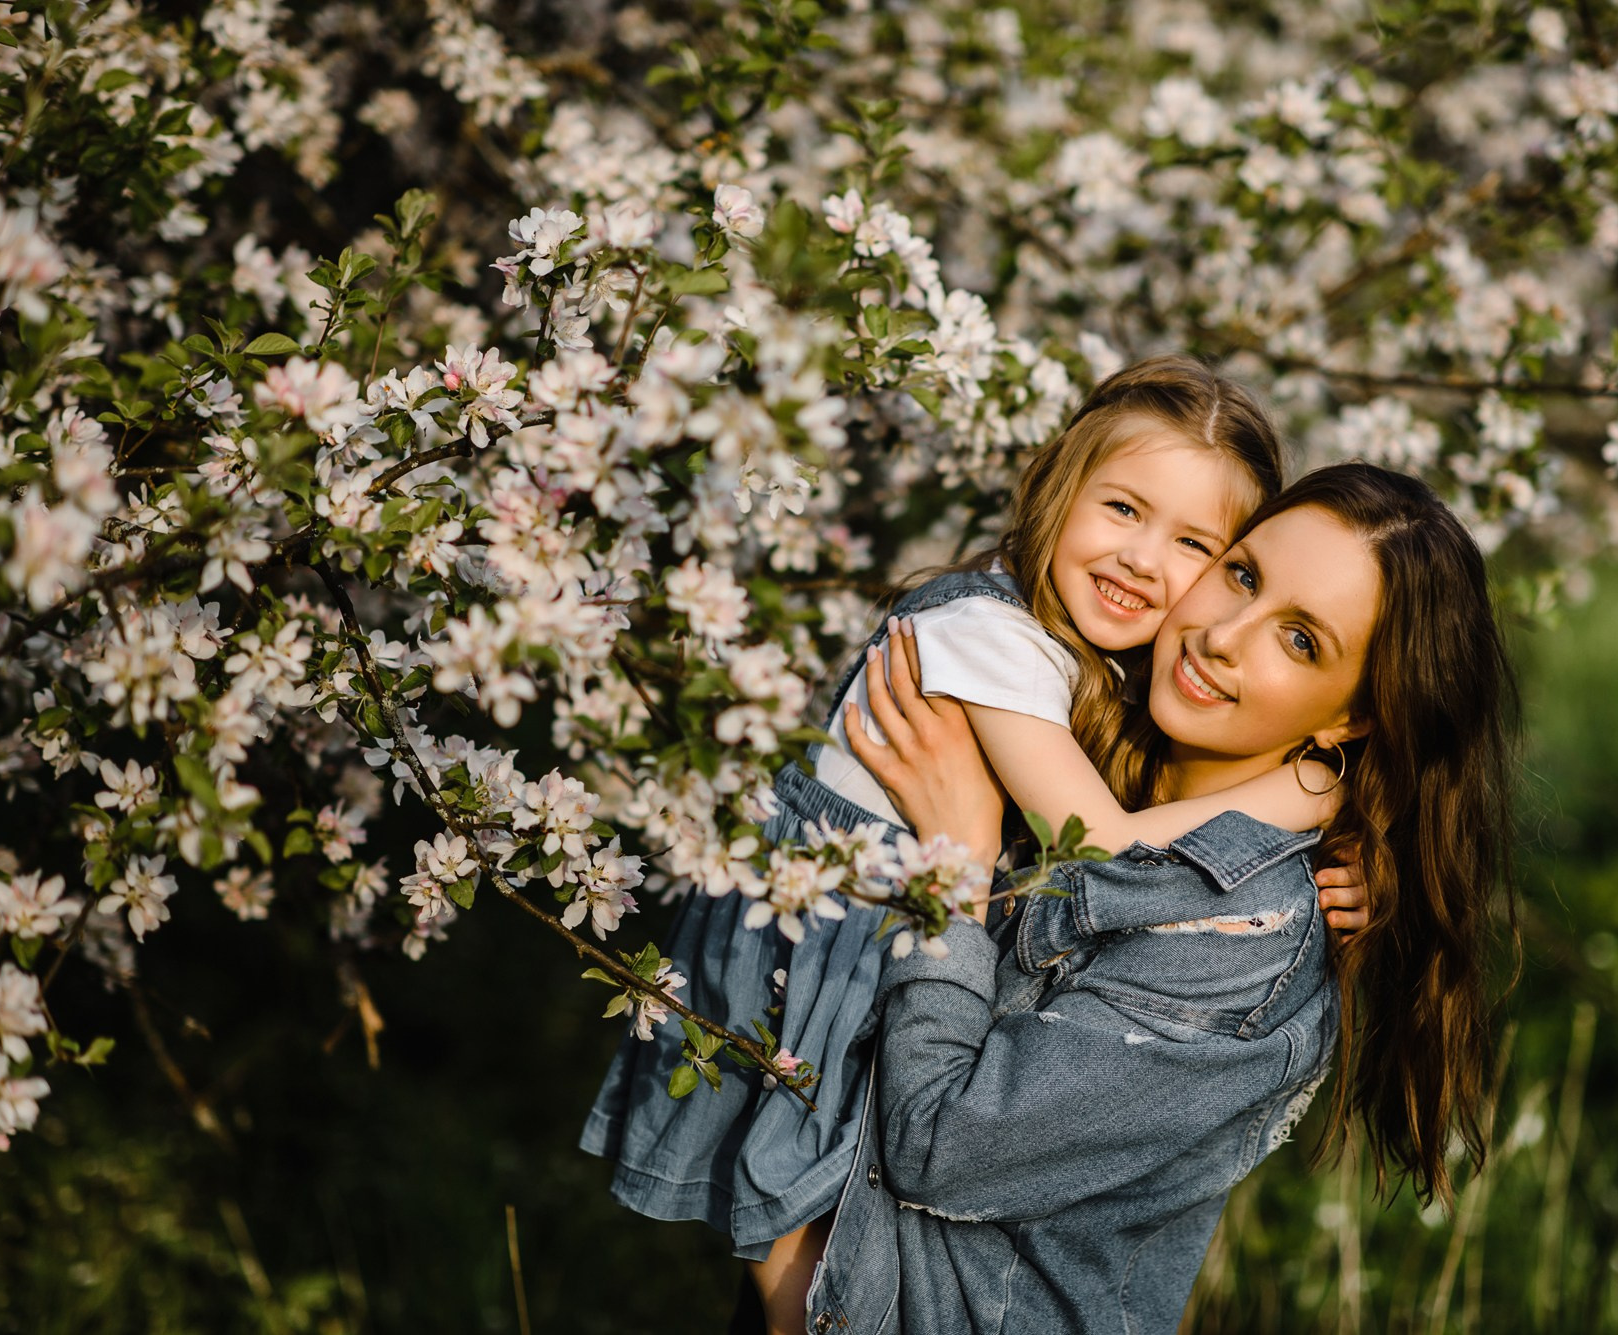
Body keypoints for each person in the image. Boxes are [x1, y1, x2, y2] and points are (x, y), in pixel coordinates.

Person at [580, 358, 1363, 1331]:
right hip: (826, 938)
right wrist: (1305, 791)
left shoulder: (1071, 652)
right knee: (795, 1199)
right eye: (1121, 509)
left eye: (1193, 543)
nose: (1143, 559)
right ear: (1053, 487)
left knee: (805, 1188)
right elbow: (1102, 843)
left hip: (868, 936)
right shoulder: (981, 639)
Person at [806, 461, 1518, 1334]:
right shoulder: (1076, 723)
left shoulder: (1244, 940)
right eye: (1243, 574)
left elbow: (939, 1146)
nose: (1224, 635)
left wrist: (955, 872)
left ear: (1352, 719)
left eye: (1301, 641)